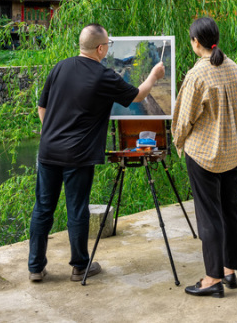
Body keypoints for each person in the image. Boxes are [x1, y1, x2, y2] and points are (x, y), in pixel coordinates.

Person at [28, 24, 165, 283]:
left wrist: (52, 134)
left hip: (48, 150)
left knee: (43, 207)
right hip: (78, 155)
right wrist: (154, 76)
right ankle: (80, 266)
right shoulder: (104, 75)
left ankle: (35, 267)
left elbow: (41, 106)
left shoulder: (60, 67)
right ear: (100, 48)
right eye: (108, 45)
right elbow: (137, 96)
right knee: (77, 208)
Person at [172, 17, 237, 298]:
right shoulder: (234, 68)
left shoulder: (198, 75)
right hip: (232, 152)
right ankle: (229, 271)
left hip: (204, 154)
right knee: (230, 210)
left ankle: (212, 278)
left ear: (195, 42)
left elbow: (183, 120)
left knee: (209, 216)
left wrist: (179, 144)